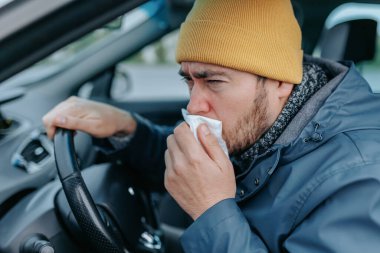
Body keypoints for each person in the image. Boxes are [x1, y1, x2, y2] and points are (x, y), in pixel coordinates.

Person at [43, 0, 380, 252]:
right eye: (189, 80)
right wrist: (128, 130)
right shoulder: (266, 122)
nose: (194, 105)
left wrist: (211, 210)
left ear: (280, 81)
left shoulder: (361, 177)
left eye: (214, 81)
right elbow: (203, 165)